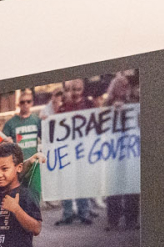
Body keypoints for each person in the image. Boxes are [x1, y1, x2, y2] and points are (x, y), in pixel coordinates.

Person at [0, 142, 43, 247]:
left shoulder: (26, 195)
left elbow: (36, 228)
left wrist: (16, 209)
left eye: (4, 169)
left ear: (19, 168)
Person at [99, 72, 141, 231]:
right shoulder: (107, 104)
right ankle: (113, 219)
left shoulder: (134, 101)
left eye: (125, 86)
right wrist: (112, 110)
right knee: (113, 184)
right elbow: (99, 121)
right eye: (120, 86)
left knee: (131, 183)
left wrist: (127, 107)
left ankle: (132, 219)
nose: (123, 88)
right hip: (114, 150)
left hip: (130, 149)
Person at [51, 78, 96, 225]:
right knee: (67, 181)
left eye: (78, 89)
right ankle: (68, 213)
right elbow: (56, 126)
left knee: (82, 181)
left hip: (83, 150)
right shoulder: (64, 107)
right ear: (69, 90)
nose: (75, 92)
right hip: (68, 150)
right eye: (73, 89)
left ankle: (84, 212)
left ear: (82, 89)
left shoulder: (88, 104)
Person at [0, 88, 45, 200]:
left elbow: (46, 138)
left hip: (34, 165)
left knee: (35, 196)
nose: (25, 104)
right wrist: (6, 143)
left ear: (32, 103)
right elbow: (2, 144)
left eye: (28, 101)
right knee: (18, 197)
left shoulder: (36, 120)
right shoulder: (10, 123)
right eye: (22, 102)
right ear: (18, 104)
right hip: (18, 166)